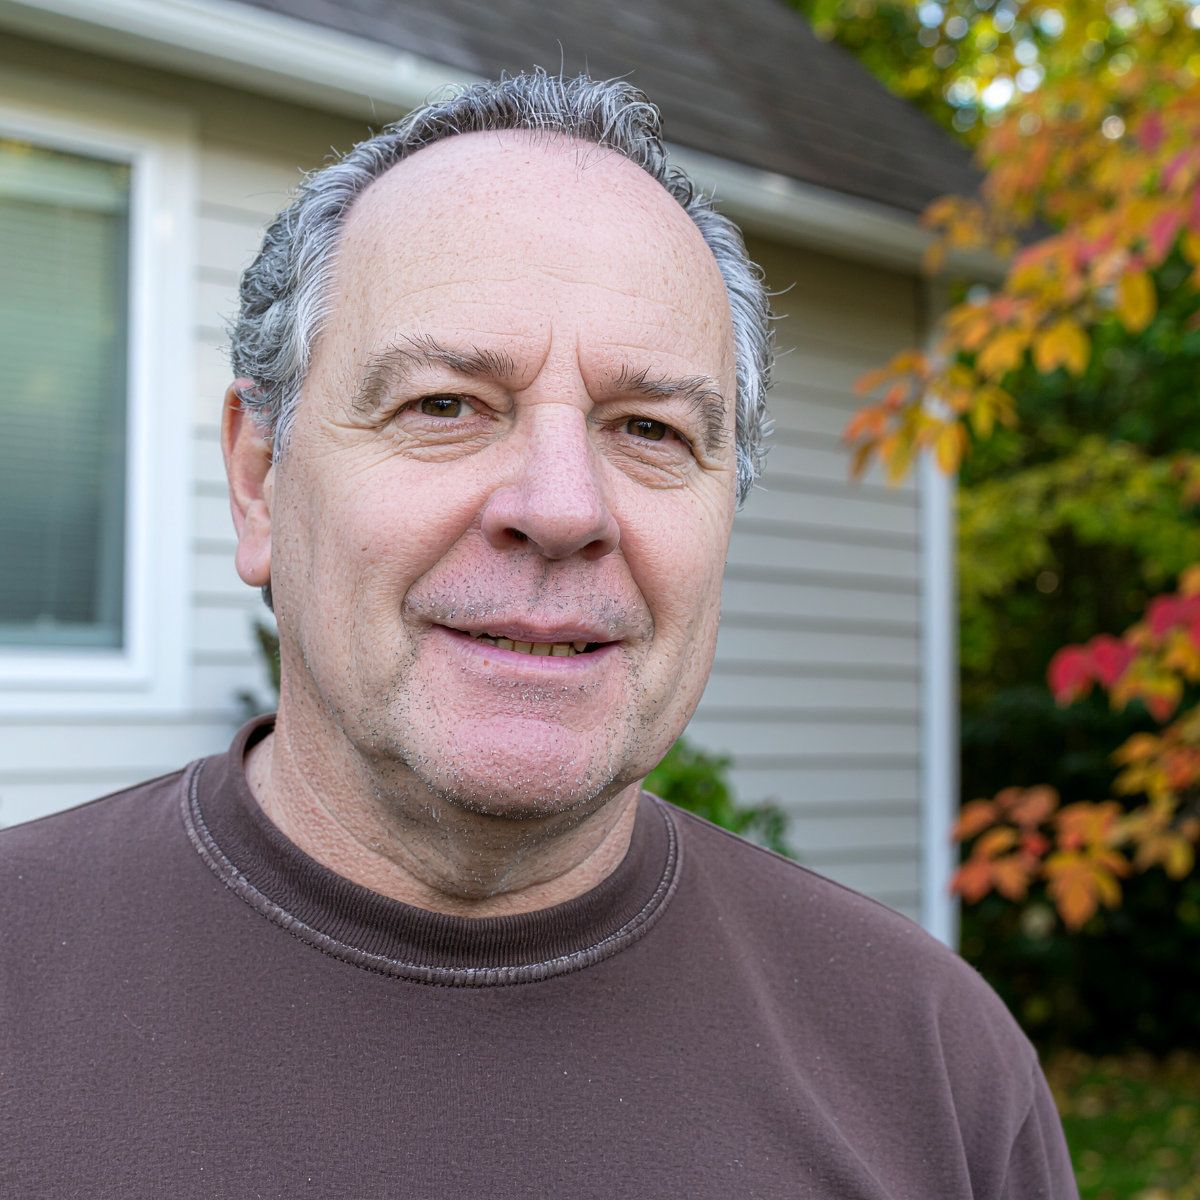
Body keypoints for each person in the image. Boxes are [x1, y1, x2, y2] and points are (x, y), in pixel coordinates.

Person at [1, 72, 1078, 1198]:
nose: (562, 507)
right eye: (445, 406)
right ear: (261, 479)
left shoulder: (933, 1069)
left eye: (649, 428)